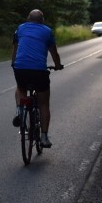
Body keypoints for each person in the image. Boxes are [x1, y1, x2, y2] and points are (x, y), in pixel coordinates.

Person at [11, 9, 63, 148]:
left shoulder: (20, 28)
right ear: (42, 20)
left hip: (20, 68)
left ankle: (20, 111)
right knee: (43, 103)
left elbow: (15, 48)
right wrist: (58, 65)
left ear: (28, 18)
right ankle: (44, 137)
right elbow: (54, 53)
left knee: (20, 88)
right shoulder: (47, 31)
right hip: (39, 71)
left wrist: (13, 63)